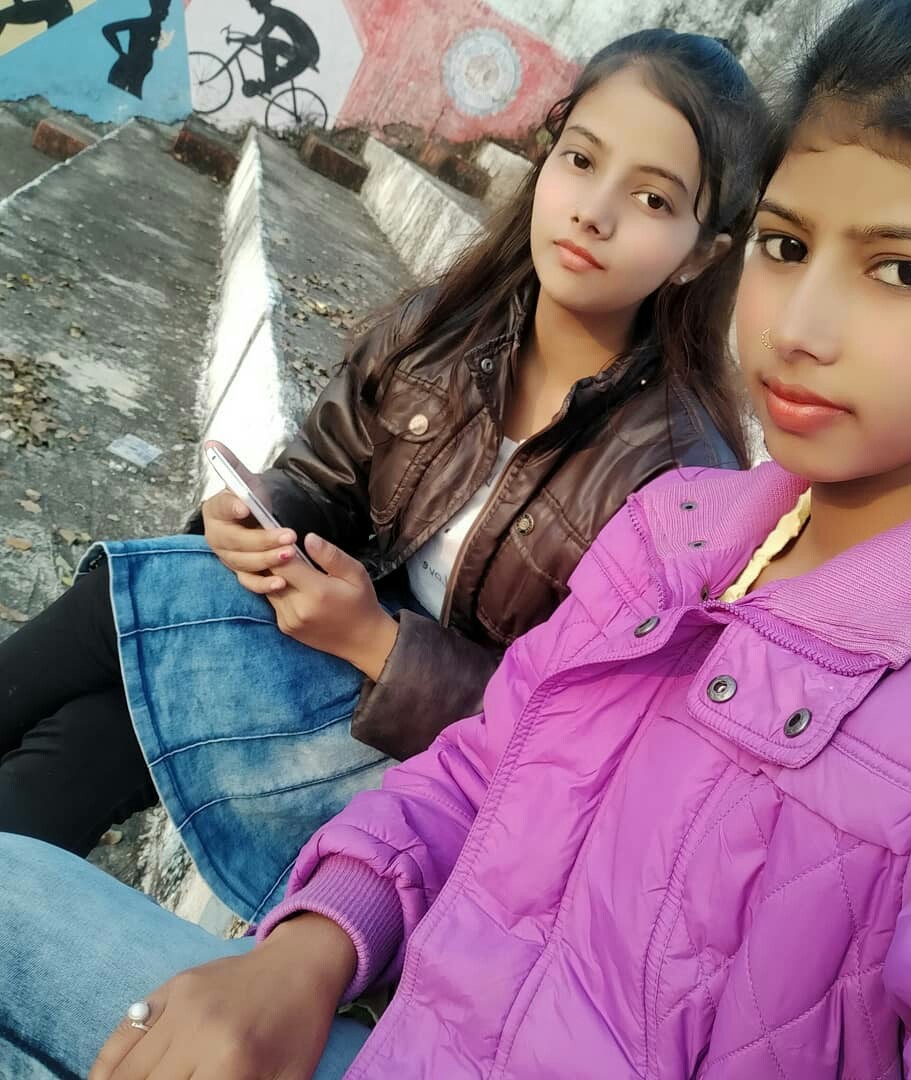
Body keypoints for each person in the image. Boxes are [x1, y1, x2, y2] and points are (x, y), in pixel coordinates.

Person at [6, 0, 911, 1075]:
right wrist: (309, 947)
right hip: (405, 995)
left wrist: (373, 642)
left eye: (905, 270)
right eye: (788, 245)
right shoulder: (663, 513)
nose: (799, 328)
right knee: (99, 702)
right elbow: (492, 761)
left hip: (378, 705)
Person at [0, 30, 770, 922]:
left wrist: (376, 642)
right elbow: (325, 475)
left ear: (701, 253)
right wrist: (259, 514)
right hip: (330, 652)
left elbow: (575, 736)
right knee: (92, 730)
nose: (593, 211)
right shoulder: (443, 327)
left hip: (430, 763)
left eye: (651, 198)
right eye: (581, 159)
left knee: (120, 636)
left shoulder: (683, 480)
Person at [231, 0, 320, 98]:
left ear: (261, 4)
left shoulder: (274, 15)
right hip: (305, 51)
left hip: (306, 54)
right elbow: (257, 38)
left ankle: (268, 83)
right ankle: (268, 82)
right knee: (267, 43)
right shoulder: (274, 12)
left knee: (267, 43)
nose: (253, 8)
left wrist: (234, 39)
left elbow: (256, 40)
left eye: (254, 5)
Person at [102, 0, 171, 100]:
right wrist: (120, 52)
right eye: (163, 10)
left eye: (167, 9)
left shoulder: (157, 29)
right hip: (123, 73)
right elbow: (107, 30)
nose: (167, 13)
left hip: (134, 74)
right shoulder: (140, 24)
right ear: (155, 9)